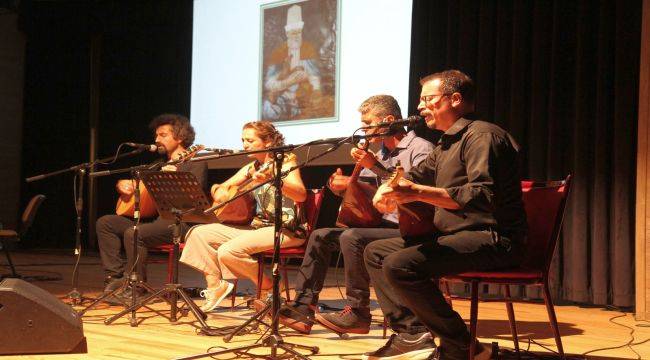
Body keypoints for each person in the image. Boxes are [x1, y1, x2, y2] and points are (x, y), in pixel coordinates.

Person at [362, 70, 527, 360]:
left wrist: (416, 192)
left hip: (494, 238)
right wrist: (388, 189)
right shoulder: (446, 143)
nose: (420, 107)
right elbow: (412, 175)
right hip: (457, 235)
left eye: (428, 99)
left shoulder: (482, 136)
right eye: (421, 100)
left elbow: (482, 196)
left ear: (455, 99)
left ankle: (461, 346)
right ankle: (412, 334)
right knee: (375, 252)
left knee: (401, 265)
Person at [273, 95, 434, 335]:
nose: (365, 130)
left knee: (352, 237)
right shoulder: (380, 154)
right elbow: (366, 197)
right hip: (379, 225)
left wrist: (373, 166)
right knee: (320, 235)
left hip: (409, 227)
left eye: (368, 123)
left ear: (389, 120)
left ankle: (358, 313)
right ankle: (303, 308)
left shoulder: (420, 147)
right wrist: (340, 185)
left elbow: (410, 189)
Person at [179, 121, 307, 312]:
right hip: (257, 228)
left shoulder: (286, 160)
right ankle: (216, 287)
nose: (245, 144)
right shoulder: (252, 167)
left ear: (268, 141)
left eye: (250, 140)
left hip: (287, 229)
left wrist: (274, 179)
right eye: (243, 140)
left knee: (228, 251)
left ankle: (268, 286)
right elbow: (222, 187)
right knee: (198, 233)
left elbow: (300, 194)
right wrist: (220, 191)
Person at [96, 114, 208, 299]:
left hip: (182, 223)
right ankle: (116, 278)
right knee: (106, 223)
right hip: (159, 220)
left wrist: (175, 179)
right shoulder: (158, 164)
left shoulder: (196, 163)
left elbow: (194, 201)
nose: (156, 140)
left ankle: (135, 287)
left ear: (179, 137)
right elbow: (139, 188)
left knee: (134, 233)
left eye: (162, 135)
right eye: (156, 135)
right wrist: (123, 185)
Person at [262, 4, 322, 121]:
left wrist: (313, 85)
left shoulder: (308, 49)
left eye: (298, 32)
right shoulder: (278, 53)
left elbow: (315, 78)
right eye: (293, 33)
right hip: (282, 99)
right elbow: (269, 84)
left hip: (303, 98)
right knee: (268, 112)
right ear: (287, 34)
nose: (296, 36)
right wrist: (289, 81)